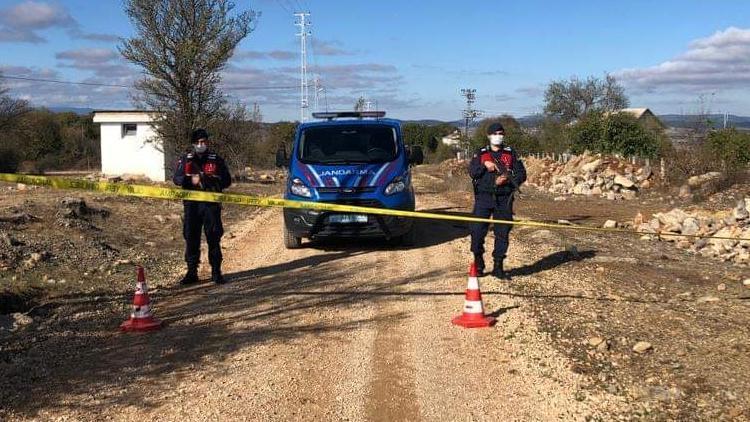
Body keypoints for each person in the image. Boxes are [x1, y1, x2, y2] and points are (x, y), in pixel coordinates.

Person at [173, 129, 232, 285]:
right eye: (198, 142)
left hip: (210, 205)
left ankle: (216, 272)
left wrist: (209, 179)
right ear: (193, 144)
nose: (201, 145)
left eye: (204, 142)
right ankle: (192, 272)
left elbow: (227, 181)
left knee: (213, 236)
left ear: (208, 142)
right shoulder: (186, 159)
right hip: (191, 206)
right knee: (191, 237)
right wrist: (190, 179)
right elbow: (177, 179)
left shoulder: (216, 160)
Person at [468, 122, 526, 279]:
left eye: (501, 133)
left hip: (504, 199)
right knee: (477, 231)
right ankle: (478, 261)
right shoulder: (481, 153)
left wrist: (507, 180)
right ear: (488, 136)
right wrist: (485, 167)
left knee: (502, 233)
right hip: (484, 198)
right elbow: (473, 172)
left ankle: (498, 266)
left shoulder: (510, 153)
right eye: (495, 133)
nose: (498, 136)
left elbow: (521, 174)